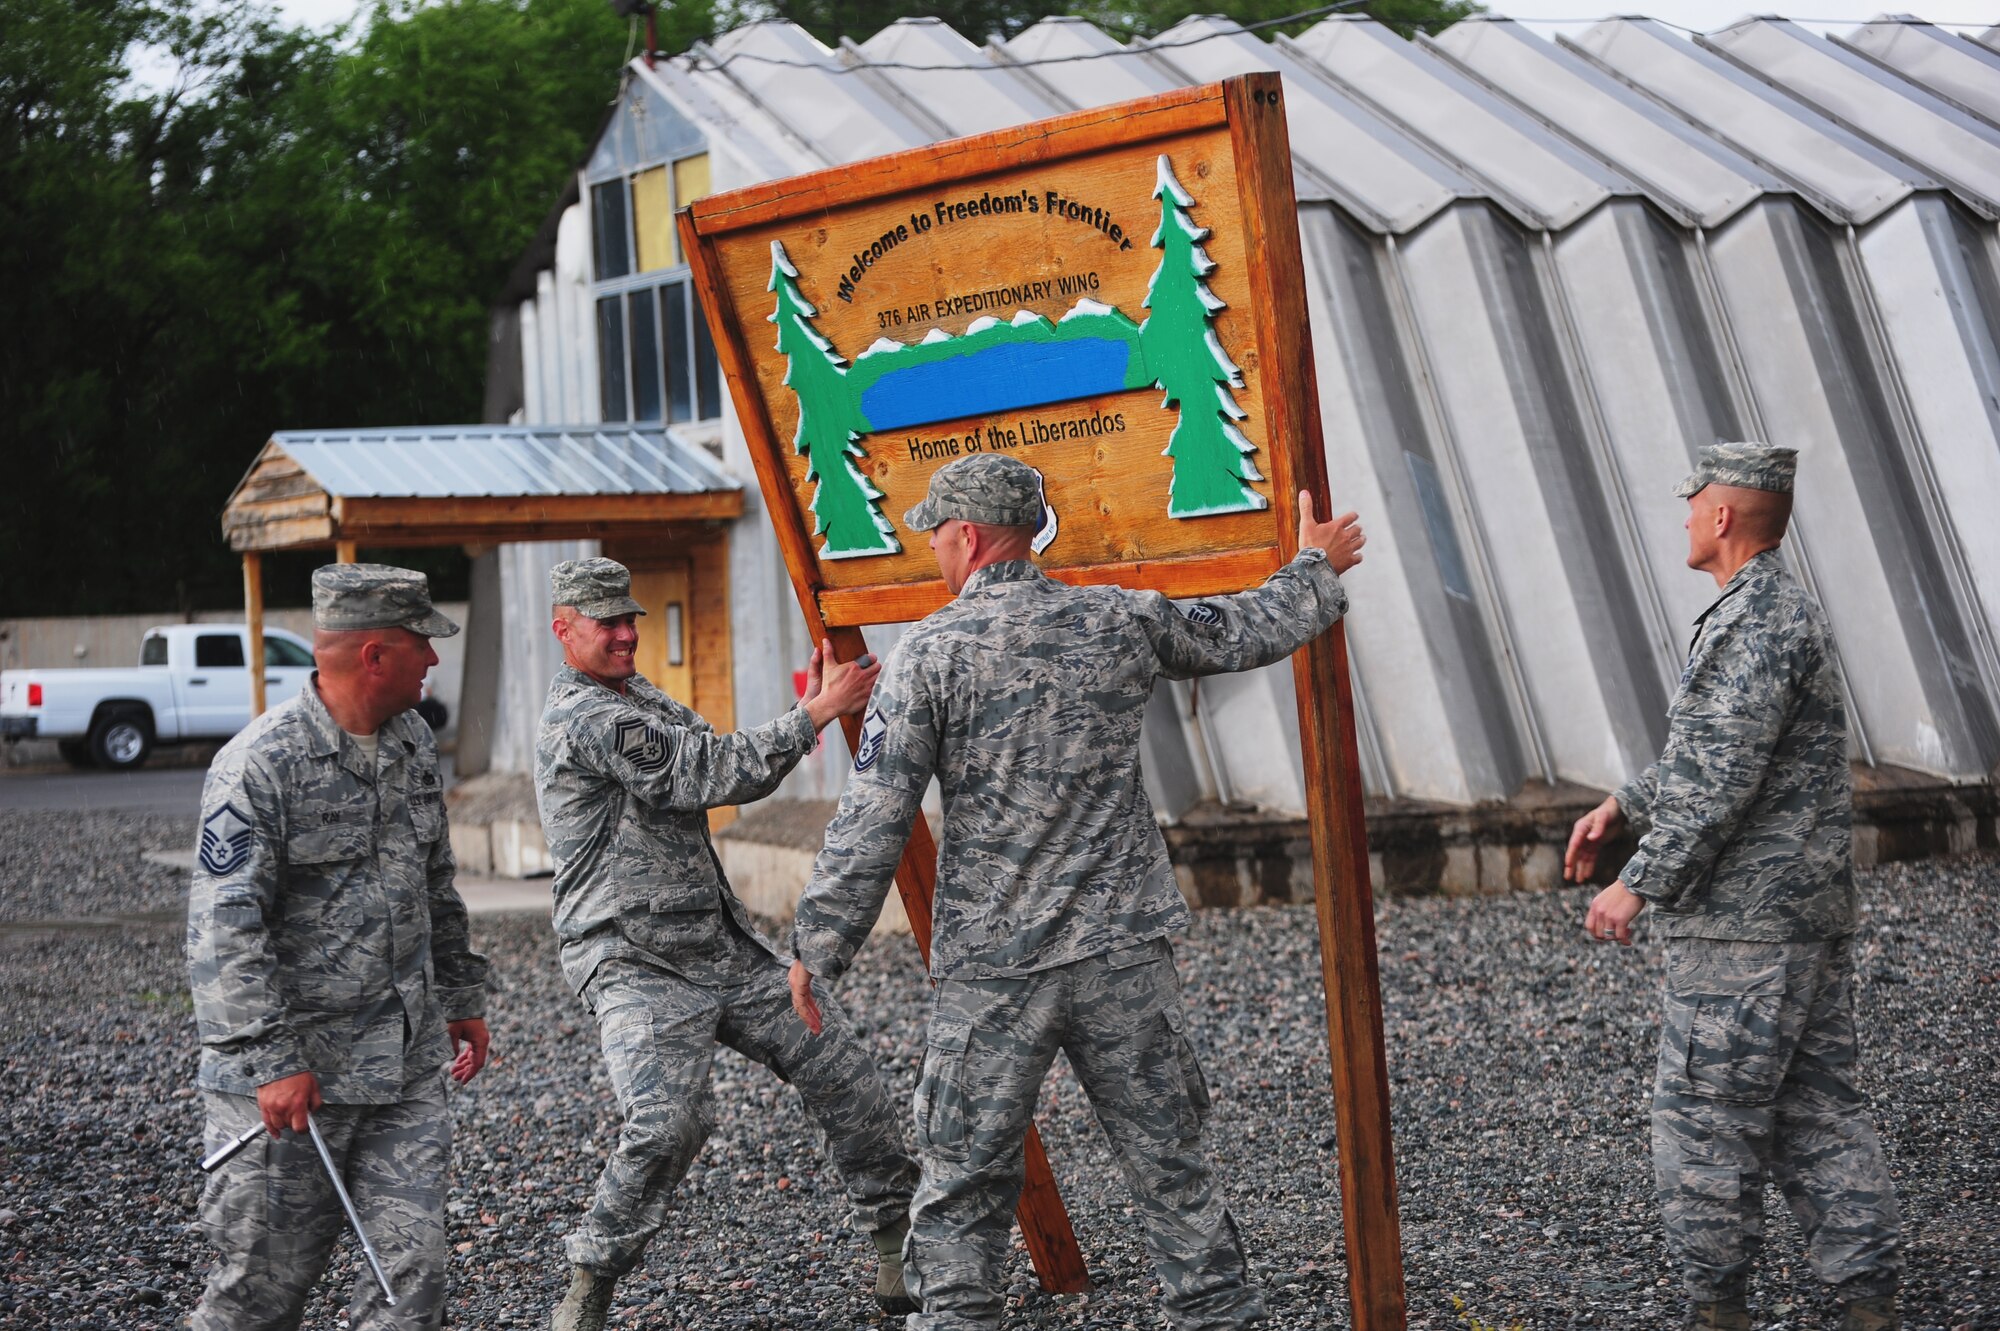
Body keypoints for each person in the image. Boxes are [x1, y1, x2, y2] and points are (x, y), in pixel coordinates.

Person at [787, 453, 1367, 1331]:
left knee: (963, 1187)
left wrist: (817, 946)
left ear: (969, 536)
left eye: (937, 533)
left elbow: (875, 816)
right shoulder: (1116, 619)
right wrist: (1315, 566)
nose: (934, 549)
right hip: (1122, 951)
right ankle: (1217, 1313)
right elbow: (1240, 629)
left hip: (994, 970)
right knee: (1171, 1165)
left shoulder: (929, 654)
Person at [533, 557, 920, 1331]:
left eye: (628, 618)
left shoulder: (634, 694)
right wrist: (817, 713)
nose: (622, 633)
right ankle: (589, 1283)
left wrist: (804, 705)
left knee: (839, 1063)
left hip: (718, 942)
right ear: (563, 629)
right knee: (667, 1121)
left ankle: (896, 1249)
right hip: (632, 957)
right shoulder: (582, 717)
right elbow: (703, 770)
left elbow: (720, 753)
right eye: (604, 622)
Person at [1566, 443, 1903, 1331]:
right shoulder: (1766, 611)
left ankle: (1716, 1311)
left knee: (1705, 1125)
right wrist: (1622, 803)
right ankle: (1872, 1304)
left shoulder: (1755, 621)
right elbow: (1705, 755)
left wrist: (1636, 882)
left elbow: (1719, 782)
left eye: (1692, 505)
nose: (1682, 518)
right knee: (1817, 1110)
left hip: (1744, 933)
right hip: (1799, 920)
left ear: (1722, 517)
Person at [186, 564, 492, 1330]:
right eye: (421, 643)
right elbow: (223, 929)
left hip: (404, 1067)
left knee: (413, 1277)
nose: (434, 659)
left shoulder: (413, 741)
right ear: (374, 656)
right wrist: (270, 1060)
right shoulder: (258, 766)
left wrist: (461, 997)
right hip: (295, 1087)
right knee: (257, 1296)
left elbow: (435, 882)